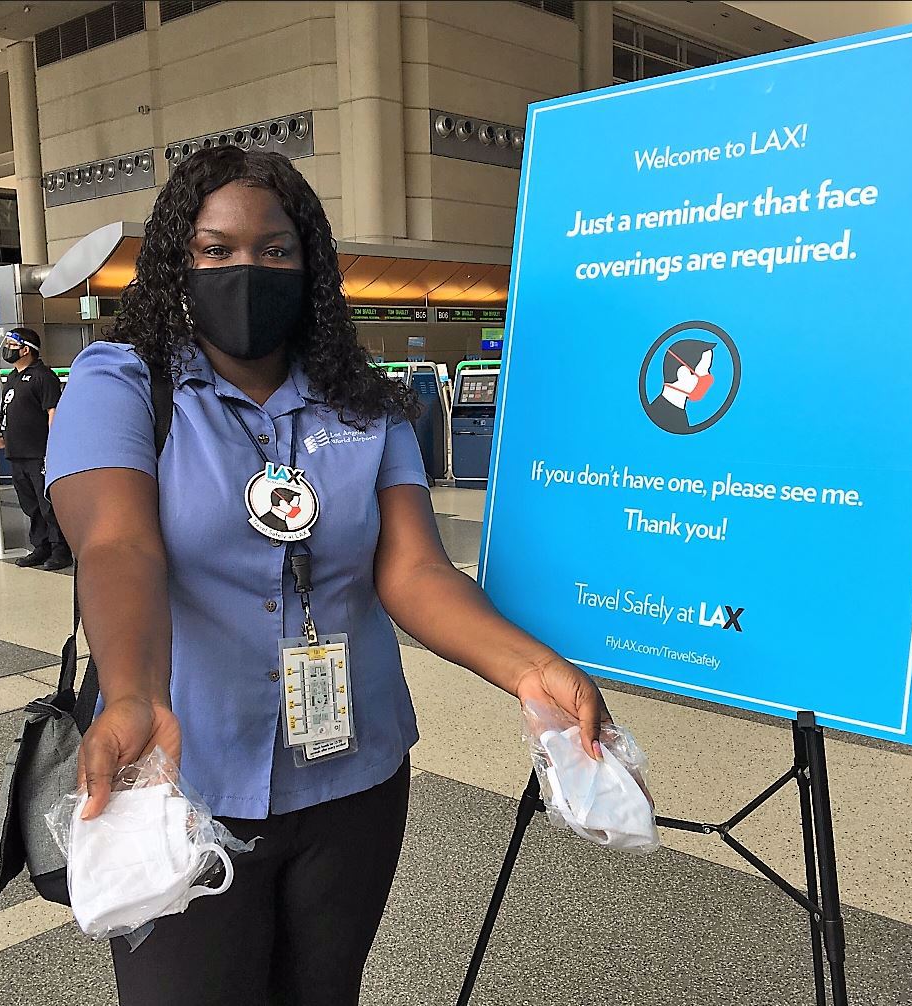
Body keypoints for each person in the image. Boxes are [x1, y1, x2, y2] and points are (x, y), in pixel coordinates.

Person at [45, 146, 609, 1005]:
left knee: (325, 991)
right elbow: (119, 545)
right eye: (216, 249)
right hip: (182, 770)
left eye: (276, 249)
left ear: (309, 264)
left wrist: (529, 668)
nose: (248, 268)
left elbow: (415, 569)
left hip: (354, 777)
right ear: (176, 263)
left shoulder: (363, 402)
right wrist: (130, 692)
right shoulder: (124, 382)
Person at [0, 328, 70, 570]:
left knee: (47, 504)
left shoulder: (44, 377)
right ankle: (40, 546)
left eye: (12, 343)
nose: (7, 348)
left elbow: (53, 414)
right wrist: (4, 439)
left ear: (26, 349)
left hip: (38, 453)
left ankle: (60, 549)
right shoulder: (11, 378)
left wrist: (54, 448)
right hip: (17, 453)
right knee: (30, 505)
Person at [643, 338, 715, 434]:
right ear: (683, 373)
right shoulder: (660, 415)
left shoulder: (679, 414)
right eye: (704, 370)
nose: (708, 377)